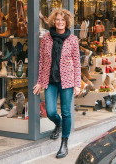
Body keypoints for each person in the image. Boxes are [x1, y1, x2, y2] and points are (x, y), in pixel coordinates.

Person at [33, 8, 81, 159]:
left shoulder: (72, 39)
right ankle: (58, 124)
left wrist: (77, 84)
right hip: (50, 80)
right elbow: (42, 60)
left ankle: (64, 143)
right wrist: (40, 81)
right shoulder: (47, 38)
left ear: (67, 22)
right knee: (51, 112)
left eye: (63, 20)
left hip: (67, 81)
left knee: (66, 112)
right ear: (54, 21)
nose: (60, 22)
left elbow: (77, 62)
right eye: (58, 19)